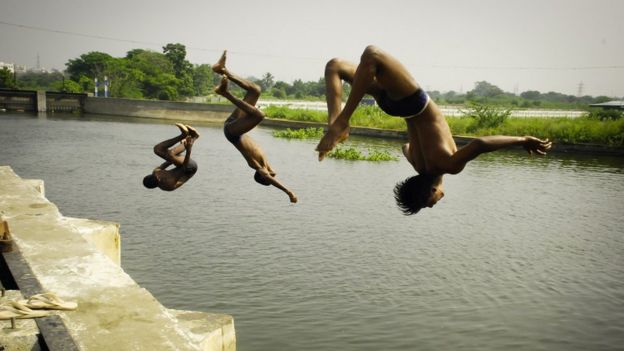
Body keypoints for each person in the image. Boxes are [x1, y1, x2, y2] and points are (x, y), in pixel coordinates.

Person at [316, 45, 552, 215]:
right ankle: (335, 122)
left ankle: (340, 121)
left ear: (431, 190)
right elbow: (405, 147)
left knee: (373, 55)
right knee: (335, 67)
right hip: (395, 108)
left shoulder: (450, 166)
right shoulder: (418, 165)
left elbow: (480, 144)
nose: (438, 201)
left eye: (432, 202)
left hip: (414, 102)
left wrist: (522, 140)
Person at [212, 50, 298, 203]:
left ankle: (226, 93)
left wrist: (288, 192)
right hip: (236, 126)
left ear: (262, 174)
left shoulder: (255, 165)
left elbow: (269, 177)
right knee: (255, 90)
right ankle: (222, 70)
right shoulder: (267, 165)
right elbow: (272, 173)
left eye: (267, 175)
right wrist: (271, 172)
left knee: (259, 116)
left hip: (232, 133)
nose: (270, 174)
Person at [143, 123, 200, 191]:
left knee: (157, 149)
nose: (158, 174)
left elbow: (168, 162)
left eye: (155, 175)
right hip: (190, 168)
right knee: (171, 154)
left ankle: (184, 135)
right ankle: (194, 137)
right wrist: (188, 149)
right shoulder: (169, 184)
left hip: (181, 165)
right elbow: (185, 167)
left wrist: (173, 156)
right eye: (158, 177)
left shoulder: (155, 172)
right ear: (158, 181)